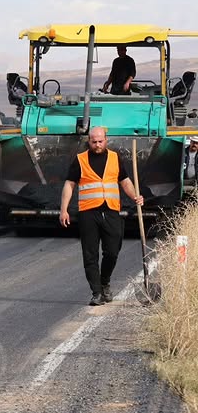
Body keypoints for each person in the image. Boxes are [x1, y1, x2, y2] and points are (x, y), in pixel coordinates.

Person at [59, 126, 144, 305]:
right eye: (93, 141)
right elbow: (69, 185)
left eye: (100, 141)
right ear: (89, 141)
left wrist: (135, 196)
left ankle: (104, 282)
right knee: (90, 254)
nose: (97, 145)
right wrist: (64, 209)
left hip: (111, 210)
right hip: (88, 212)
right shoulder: (80, 160)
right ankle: (96, 292)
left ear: (106, 140)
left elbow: (125, 181)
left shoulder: (114, 157)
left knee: (112, 251)